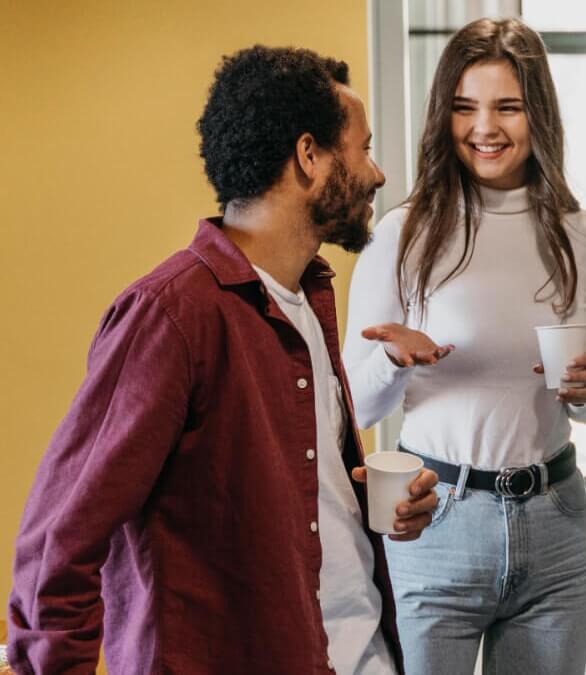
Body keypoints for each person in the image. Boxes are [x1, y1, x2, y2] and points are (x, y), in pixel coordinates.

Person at [7, 45, 441, 674]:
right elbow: (57, 544)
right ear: (309, 155)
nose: (376, 174)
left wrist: (374, 507)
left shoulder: (308, 298)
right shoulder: (172, 314)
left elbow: (289, 496)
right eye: (363, 148)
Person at [343, 17, 586, 675]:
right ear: (444, 116)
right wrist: (392, 356)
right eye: (464, 107)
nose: (484, 127)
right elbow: (351, 402)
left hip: (555, 527)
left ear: (539, 114)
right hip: (432, 520)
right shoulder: (401, 233)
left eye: (507, 107)